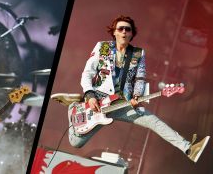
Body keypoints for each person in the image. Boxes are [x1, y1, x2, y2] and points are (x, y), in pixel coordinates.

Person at [55, 15, 210, 163]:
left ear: (132, 34)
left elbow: (140, 78)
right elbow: (88, 72)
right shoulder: (102, 47)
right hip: (98, 99)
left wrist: (136, 96)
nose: (124, 31)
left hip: (123, 102)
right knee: (76, 142)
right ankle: (75, 106)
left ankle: (189, 149)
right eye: (121, 28)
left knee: (153, 121)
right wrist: (90, 95)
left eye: (128, 29)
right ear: (114, 31)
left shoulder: (138, 53)